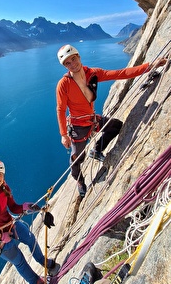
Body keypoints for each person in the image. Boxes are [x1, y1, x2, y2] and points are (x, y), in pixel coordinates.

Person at [56, 44, 167, 197]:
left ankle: (96, 150)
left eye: (73, 59)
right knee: (77, 158)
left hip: (92, 120)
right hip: (78, 126)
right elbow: (61, 109)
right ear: (64, 66)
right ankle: (79, 180)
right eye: (67, 63)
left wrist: (150, 66)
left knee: (116, 126)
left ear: (79, 57)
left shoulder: (93, 73)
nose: (72, 64)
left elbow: (121, 73)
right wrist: (64, 134)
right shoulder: (64, 84)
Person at [0, 160, 59, 284]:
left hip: (10, 225)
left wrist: (24, 207)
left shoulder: (5, 188)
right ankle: (37, 281)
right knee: (19, 261)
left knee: (31, 239)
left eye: (0, 175)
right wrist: (0, 236)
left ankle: (43, 261)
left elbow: (13, 207)